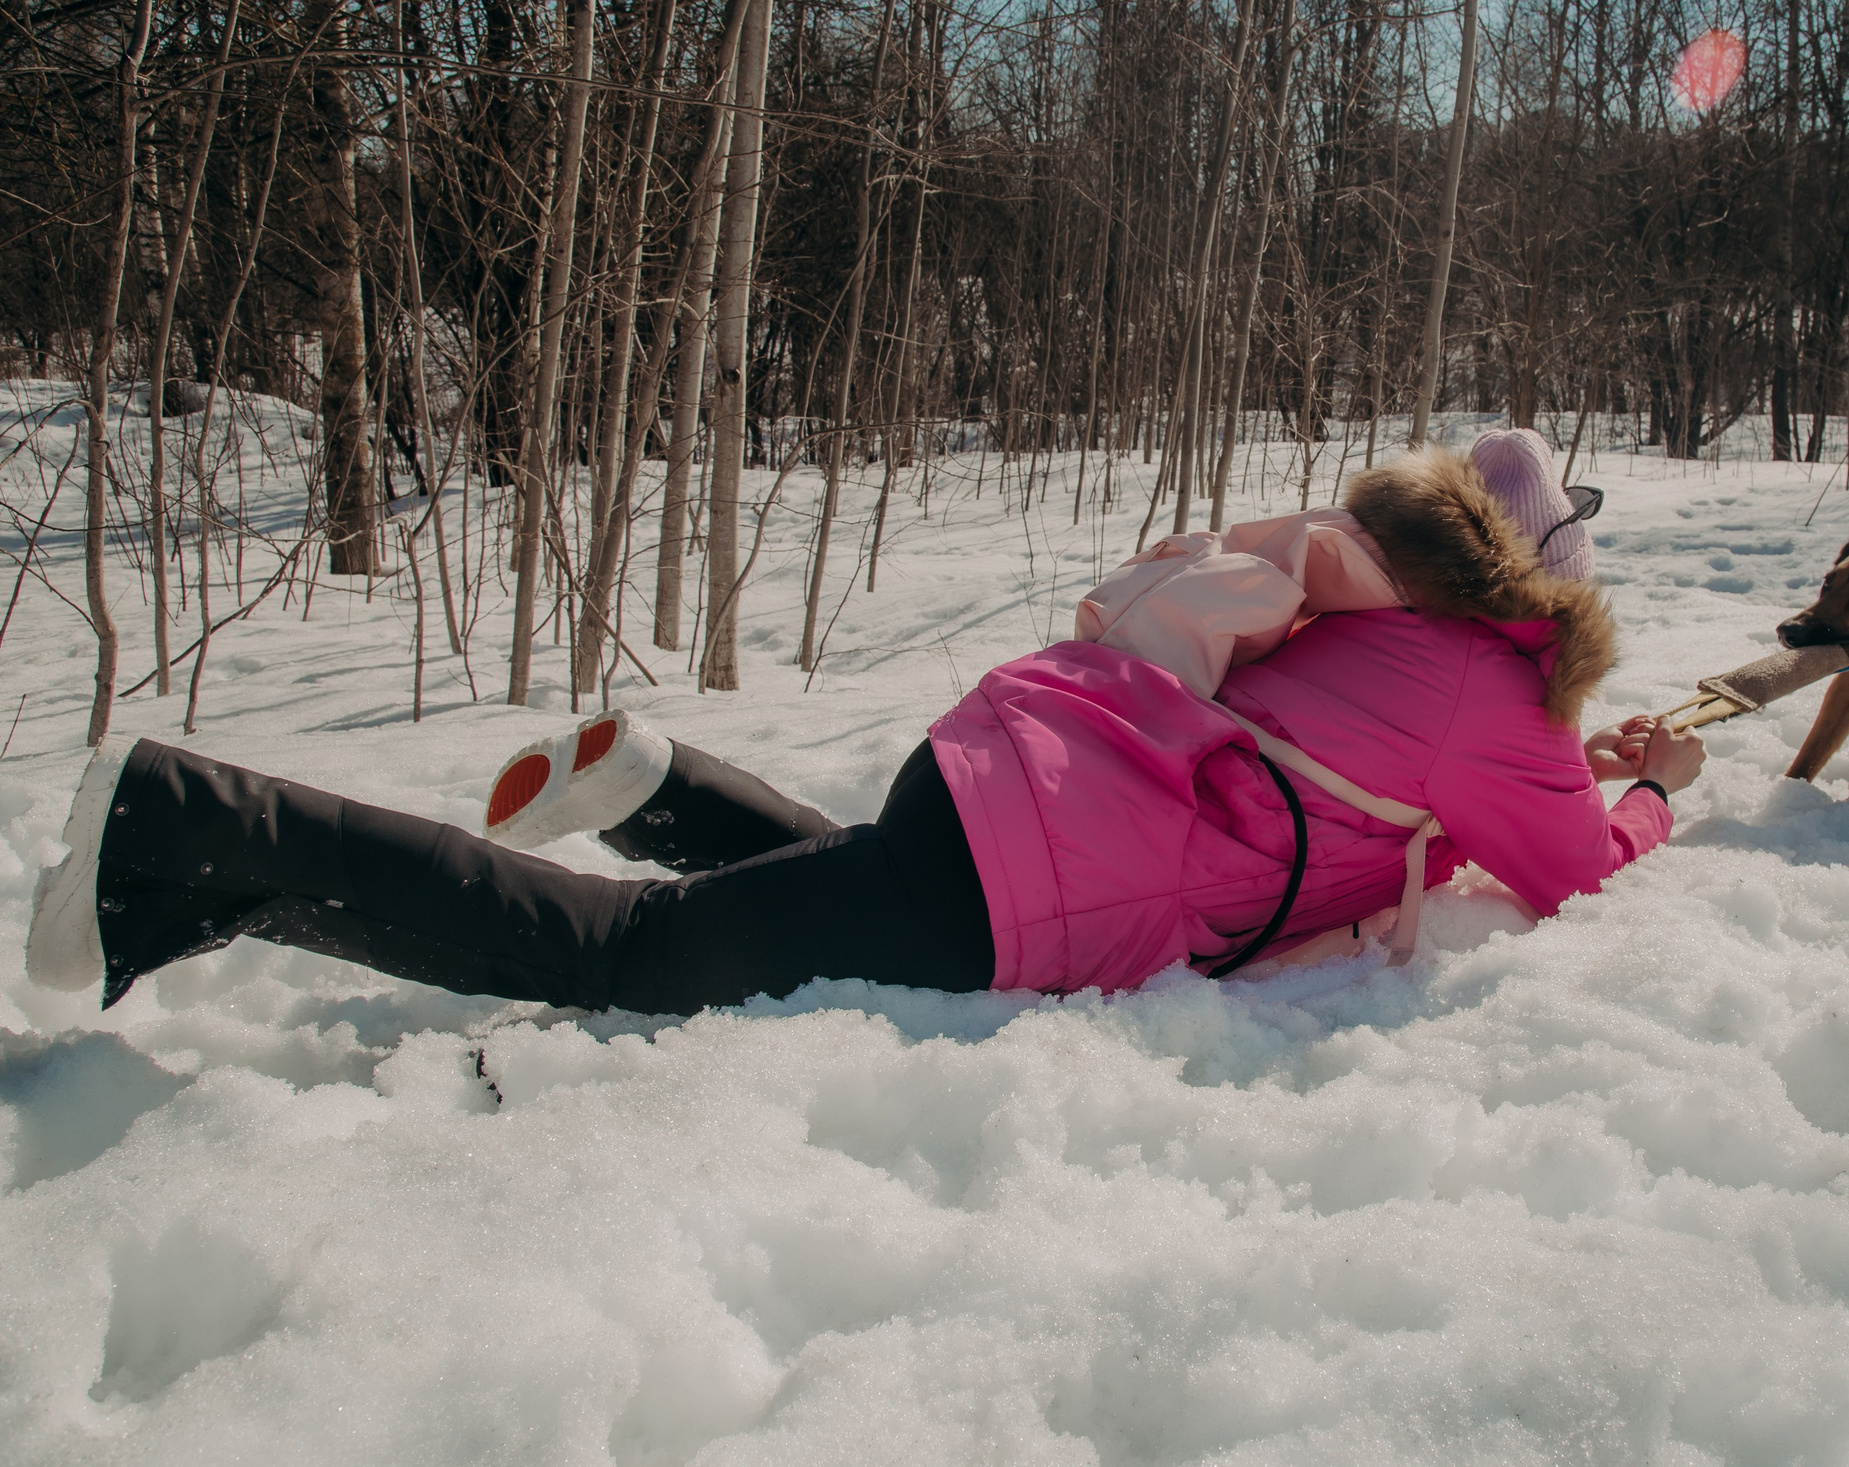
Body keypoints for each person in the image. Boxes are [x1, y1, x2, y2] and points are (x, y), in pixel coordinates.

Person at [26, 434, 1705, 1015]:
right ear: (1553, 600)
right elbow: (1567, 864)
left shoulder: (1367, 600)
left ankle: (657, 781)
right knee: (620, 964)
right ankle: (189, 824)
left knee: (852, 895)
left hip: (1011, 771)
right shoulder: (1499, 708)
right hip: (1027, 869)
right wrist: (1651, 794)